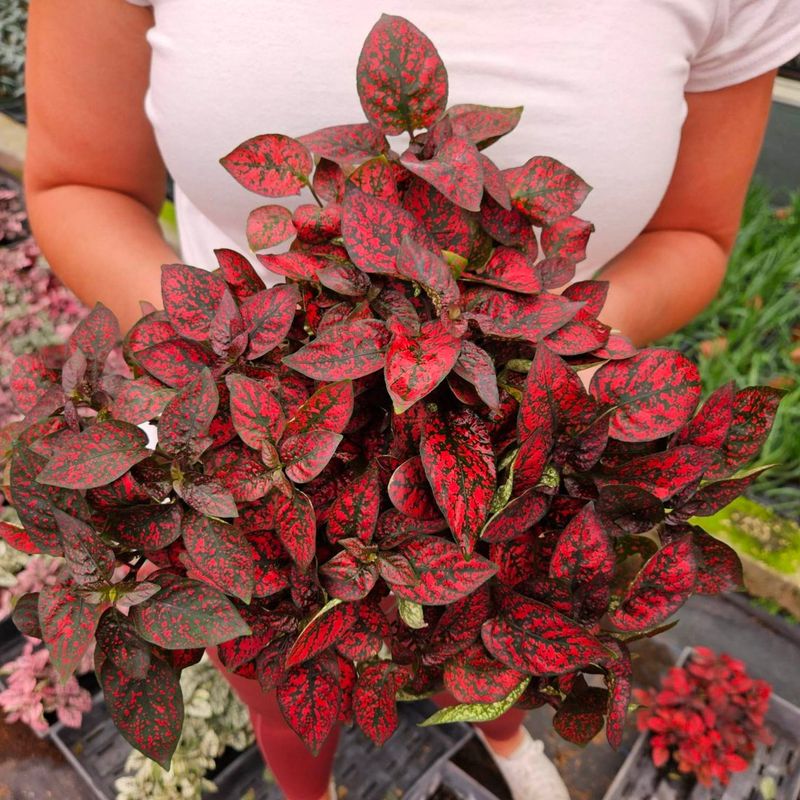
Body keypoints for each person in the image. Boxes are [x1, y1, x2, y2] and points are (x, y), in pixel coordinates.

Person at [23, 2, 800, 799]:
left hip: (516, 401)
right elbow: (80, 180)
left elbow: (697, 234)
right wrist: (229, 384)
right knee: (287, 676)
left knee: (490, 628)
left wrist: (553, 352)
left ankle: (500, 732)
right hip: (243, 406)